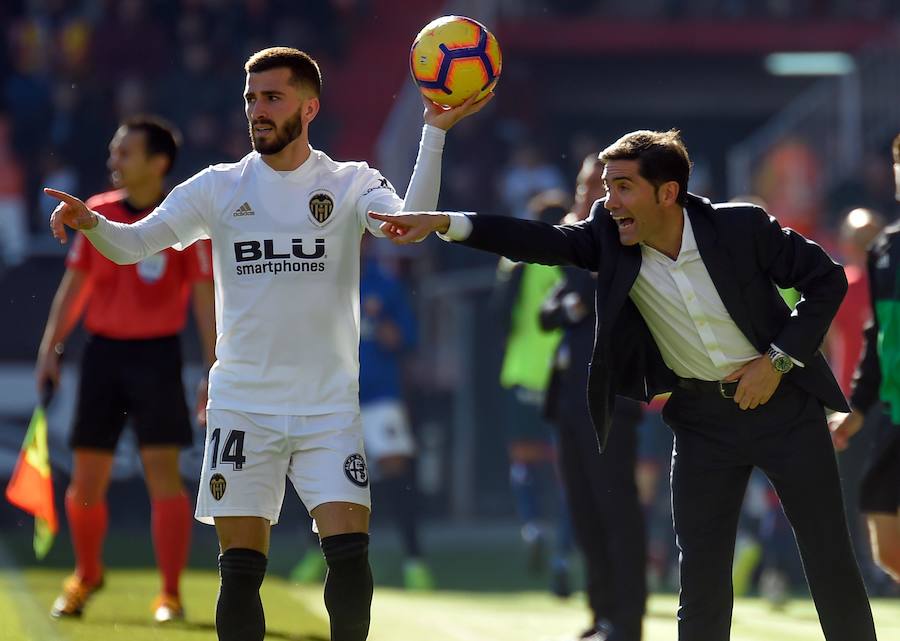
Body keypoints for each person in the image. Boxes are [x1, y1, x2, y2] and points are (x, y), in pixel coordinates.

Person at [45, 47, 487, 641]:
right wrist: (94, 224)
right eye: (251, 98)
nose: (257, 110)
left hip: (327, 406)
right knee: (242, 573)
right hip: (242, 405)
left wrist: (432, 132)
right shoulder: (218, 187)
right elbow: (134, 245)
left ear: (310, 108)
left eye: (272, 98)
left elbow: (409, 227)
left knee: (350, 554)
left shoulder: (351, 182)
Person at [371, 129, 877, 641]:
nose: (607, 202)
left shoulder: (742, 226)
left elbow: (827, 280)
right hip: (703, 423)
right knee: (700, 576)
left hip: (785, 409)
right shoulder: (608, 237)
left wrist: (778, 361)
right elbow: (539, 240)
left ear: (667, 192)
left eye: (622, 187)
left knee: (829, 557)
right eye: (607, 187)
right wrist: (444, 223)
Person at [35, 115, 216, 622]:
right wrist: (51, 346)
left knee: (164, 476)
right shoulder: (97, 211)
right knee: (86, 477)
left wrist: (212, 366)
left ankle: (171, 594)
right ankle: (86, 574)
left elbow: (205, 300)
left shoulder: (184, 218)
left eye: (125, 153)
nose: (114, 161)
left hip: (158, 357)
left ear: (158, 163)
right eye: (115, 152)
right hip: (103, 356)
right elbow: (76, 286)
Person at [539, 154, 646, 641]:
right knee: (583, 510)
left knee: (615, 511)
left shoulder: (625, 237)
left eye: (599, 186)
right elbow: (550, 311)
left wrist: (576, 303)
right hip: (567, 397)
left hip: (608, 399)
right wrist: (573, 304)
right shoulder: (575, 238)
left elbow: (605, 298)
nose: (589, 195)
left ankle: (626, 621)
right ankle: (601, 614)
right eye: (585, 185)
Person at [292, 237, 435, 591]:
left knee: (396, 468)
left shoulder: (385, 285)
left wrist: (394, 335)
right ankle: (316, 555)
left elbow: (409, 337)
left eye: (360, 236)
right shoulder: (318, 283)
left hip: (380, 395)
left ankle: (414, 562)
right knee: (329, 478)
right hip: (333, 396)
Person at [493, 190, 573, 591]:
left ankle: (532, 527)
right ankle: (562, 554)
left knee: (525, 463)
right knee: (567, 472)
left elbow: (499, 316)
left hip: (522, 372)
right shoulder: (574, 260)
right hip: (563, 376)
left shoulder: (516, 261)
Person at [829, 133, 900, 583]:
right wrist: (853, 408)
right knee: (885, 543)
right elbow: (878, 335)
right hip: (889, 413)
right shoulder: (886, 250)